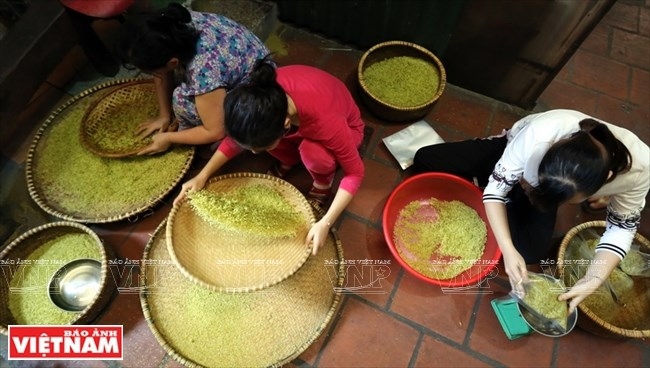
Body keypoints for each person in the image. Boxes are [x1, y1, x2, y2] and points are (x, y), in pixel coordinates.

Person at [412, 109, 649, 313]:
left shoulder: (640, 170)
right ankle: (501, 176)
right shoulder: (539, 135)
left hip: (544, 193)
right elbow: (494, 192)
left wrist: (593, 278)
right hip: (515, 153)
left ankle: (506, 191)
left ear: (605, 182)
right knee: (425, 160)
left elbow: (621, 228)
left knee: (530, 250)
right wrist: (507, 247)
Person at [174, 60, 365, 255]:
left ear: (286, 124)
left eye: (260, 147)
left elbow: (355, 173)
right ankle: (289, 160)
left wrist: (326, 222)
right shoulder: (259, 100)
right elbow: (237, 140)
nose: (255, 153)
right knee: (261, 142)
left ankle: (323, 183)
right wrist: (202, 175)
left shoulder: (325, 122)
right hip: (296, 126)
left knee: (312, 152)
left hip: (347, 127)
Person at [118, 2, 270, 155]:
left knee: (181, 101)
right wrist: (163, 115)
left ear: (173, 62)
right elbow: (162, 69)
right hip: (251, 57)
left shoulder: (203, 71)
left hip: (259, 88)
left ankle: (237, 136)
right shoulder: (174, 23)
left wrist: (169, 138)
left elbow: (215, 131)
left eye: (152, 70)